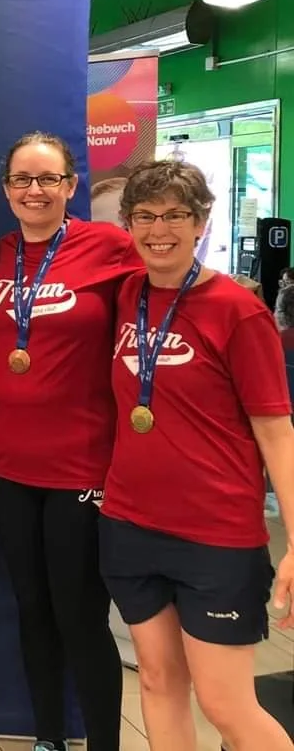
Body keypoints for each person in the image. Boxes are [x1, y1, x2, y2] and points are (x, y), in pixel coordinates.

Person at [99, 158, 294, 751]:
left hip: (216, 539)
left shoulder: (239, 311)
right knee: (158, 682)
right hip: (130, 525)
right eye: (146, 216)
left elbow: (277, 433)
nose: (160, 229)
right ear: (129, 224)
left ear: (202, 220)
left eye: (176, 215)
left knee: (225, 703)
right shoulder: (126, 294)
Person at [0, 132, 140, 751]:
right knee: (33, 613)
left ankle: (102, 742)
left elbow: (164, 290)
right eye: (23, 179)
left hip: (83, 468)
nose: (35, 190)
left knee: (80, 617)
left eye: (48, 179)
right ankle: (47, 737)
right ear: (7, 189)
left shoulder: (109, 246)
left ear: (72, 186)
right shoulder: (1, 253)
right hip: (12, 468)